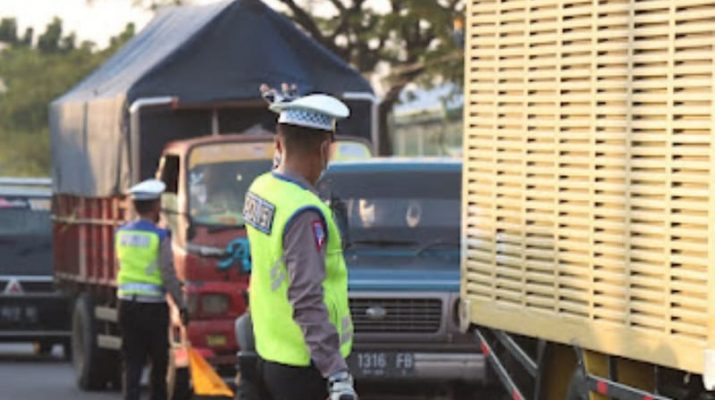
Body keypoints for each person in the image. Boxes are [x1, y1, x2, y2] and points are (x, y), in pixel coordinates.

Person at [242, 87, 357, 400]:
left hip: (268, 351)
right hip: (306, 366)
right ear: (325, 150)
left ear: (278, 144)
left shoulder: (261, 189)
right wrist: (336, 373)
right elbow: (306, 297)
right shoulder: (305, 212)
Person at [115, 179, 188, 400]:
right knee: (158, 363)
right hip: (153, 308)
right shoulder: (159, 236)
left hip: (126, 305)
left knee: (132, 363)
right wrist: (182, 304)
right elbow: (167, 273)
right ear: (156, 206)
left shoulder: (121, 233)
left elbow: (119, 266)